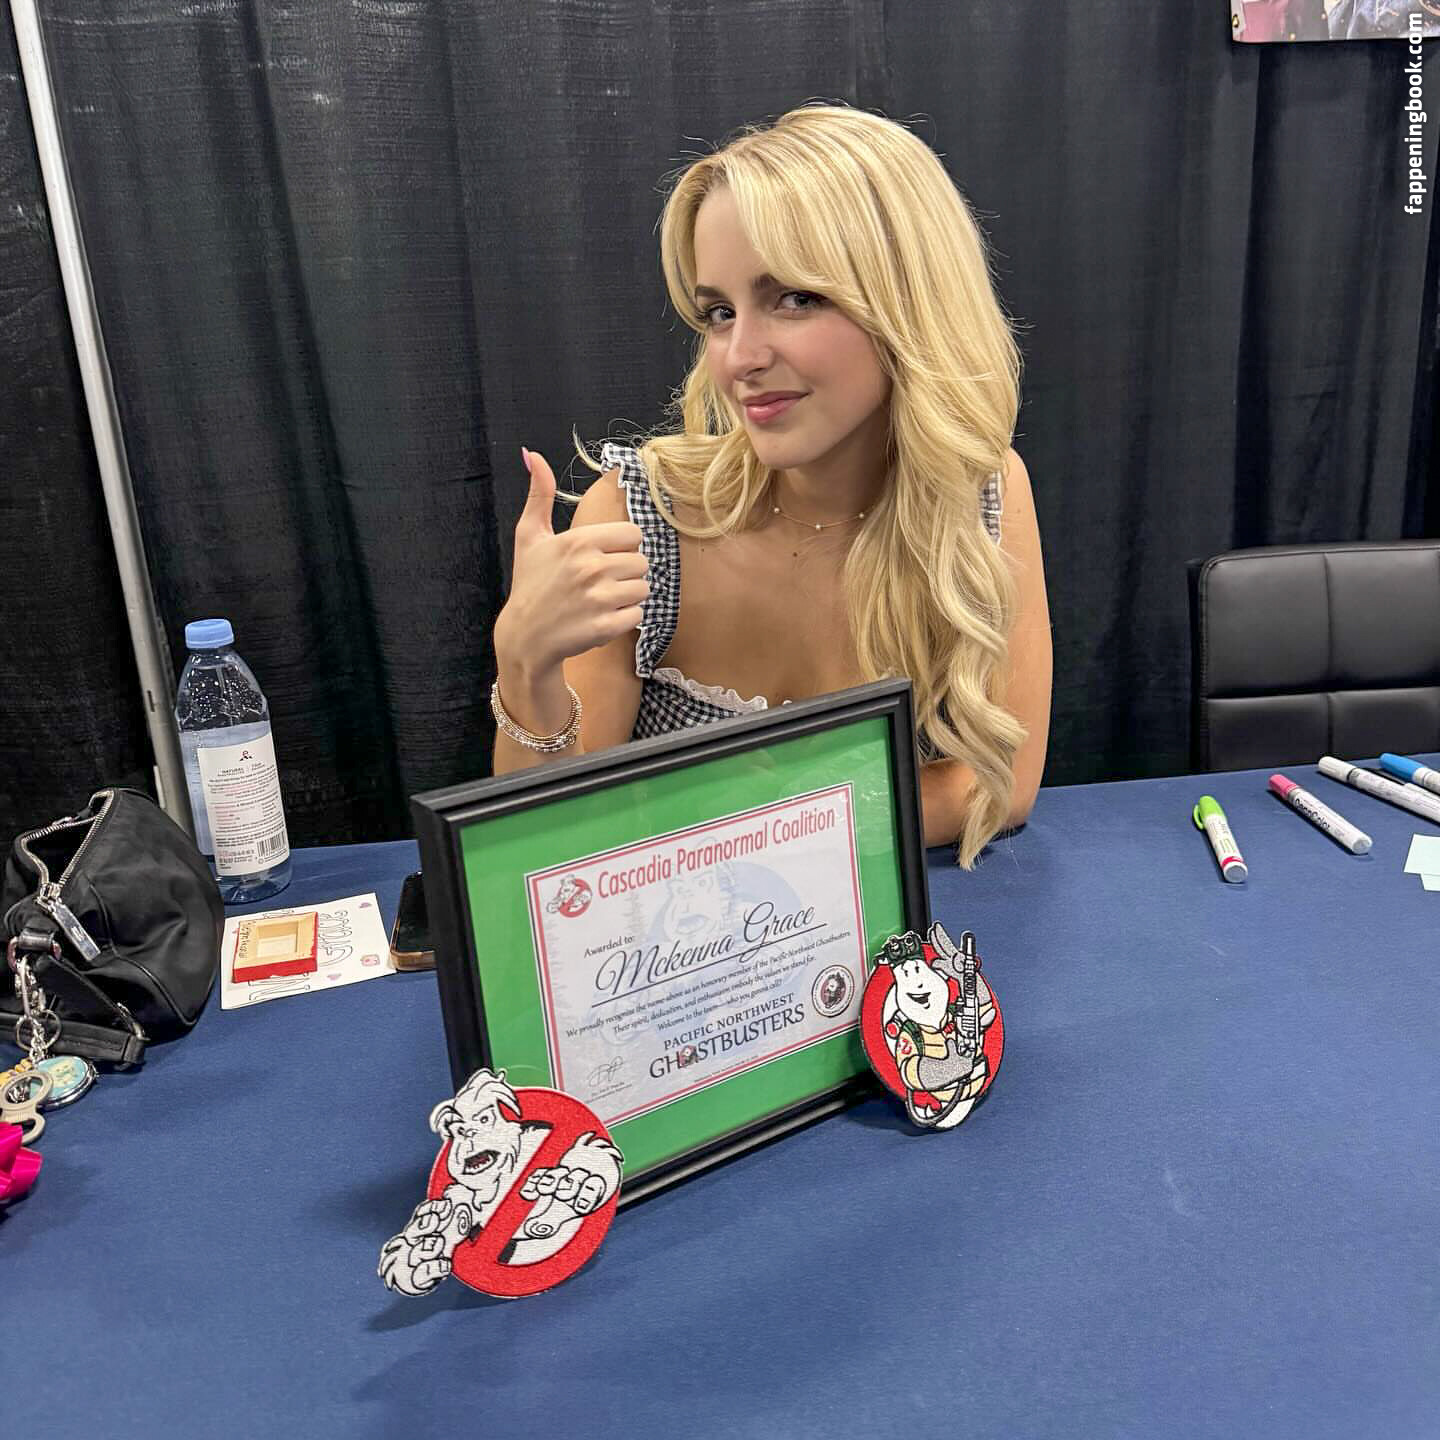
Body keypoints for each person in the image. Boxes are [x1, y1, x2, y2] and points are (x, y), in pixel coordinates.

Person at [491, 103, 1052, 869]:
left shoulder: (980, 493)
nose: (739, 357)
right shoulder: (638, 515)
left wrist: (717, 820)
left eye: (794, 298)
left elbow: (1001, 786)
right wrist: (525, 666)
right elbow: (545, 841)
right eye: (719, 312)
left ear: (909, 302)